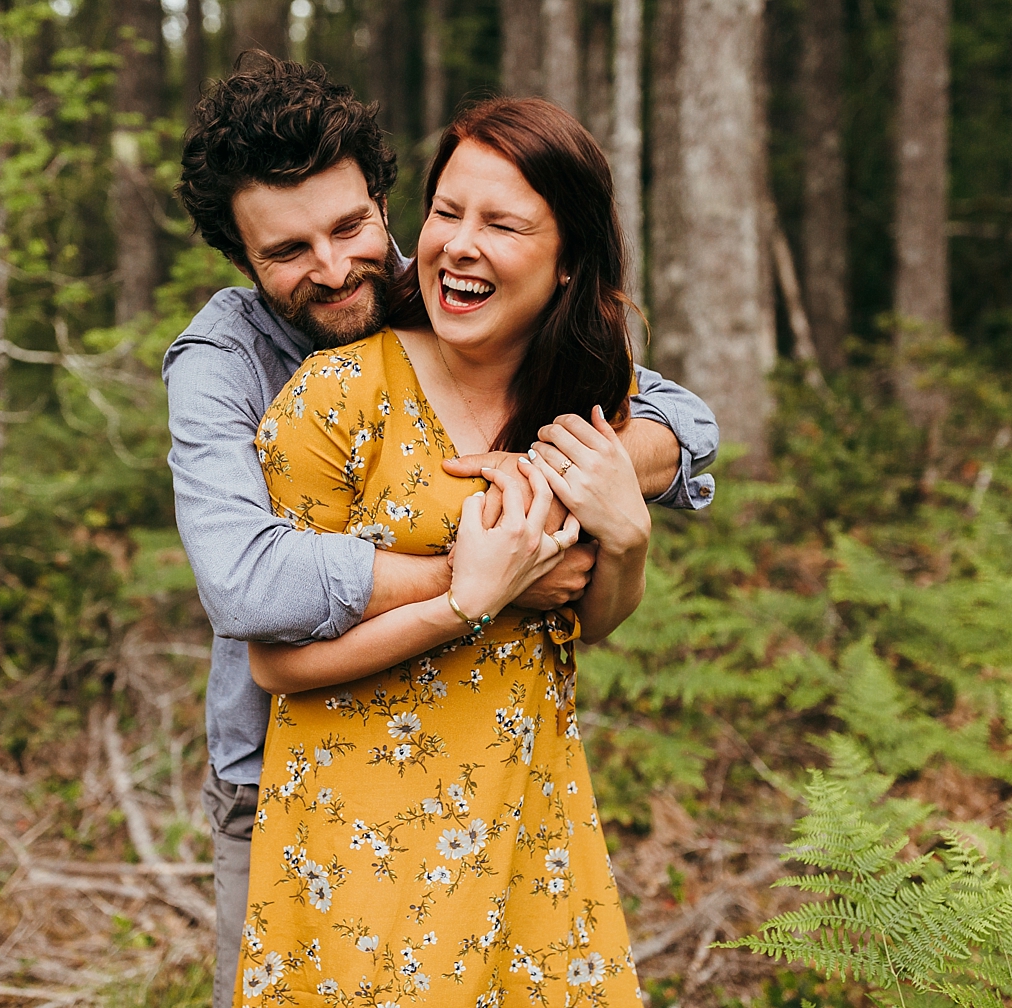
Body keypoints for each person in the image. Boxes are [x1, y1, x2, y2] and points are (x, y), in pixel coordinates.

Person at [166, 54, 718, 1008]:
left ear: (386, 206)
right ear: (242, 262)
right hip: (292, 786)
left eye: (350, 227)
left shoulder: (484, 325)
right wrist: (476, 578)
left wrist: (610, 505)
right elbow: (249, 595)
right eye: (287, 252)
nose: (335, 269)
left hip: (514, 790)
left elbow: (682, 421)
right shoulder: (234, 367)